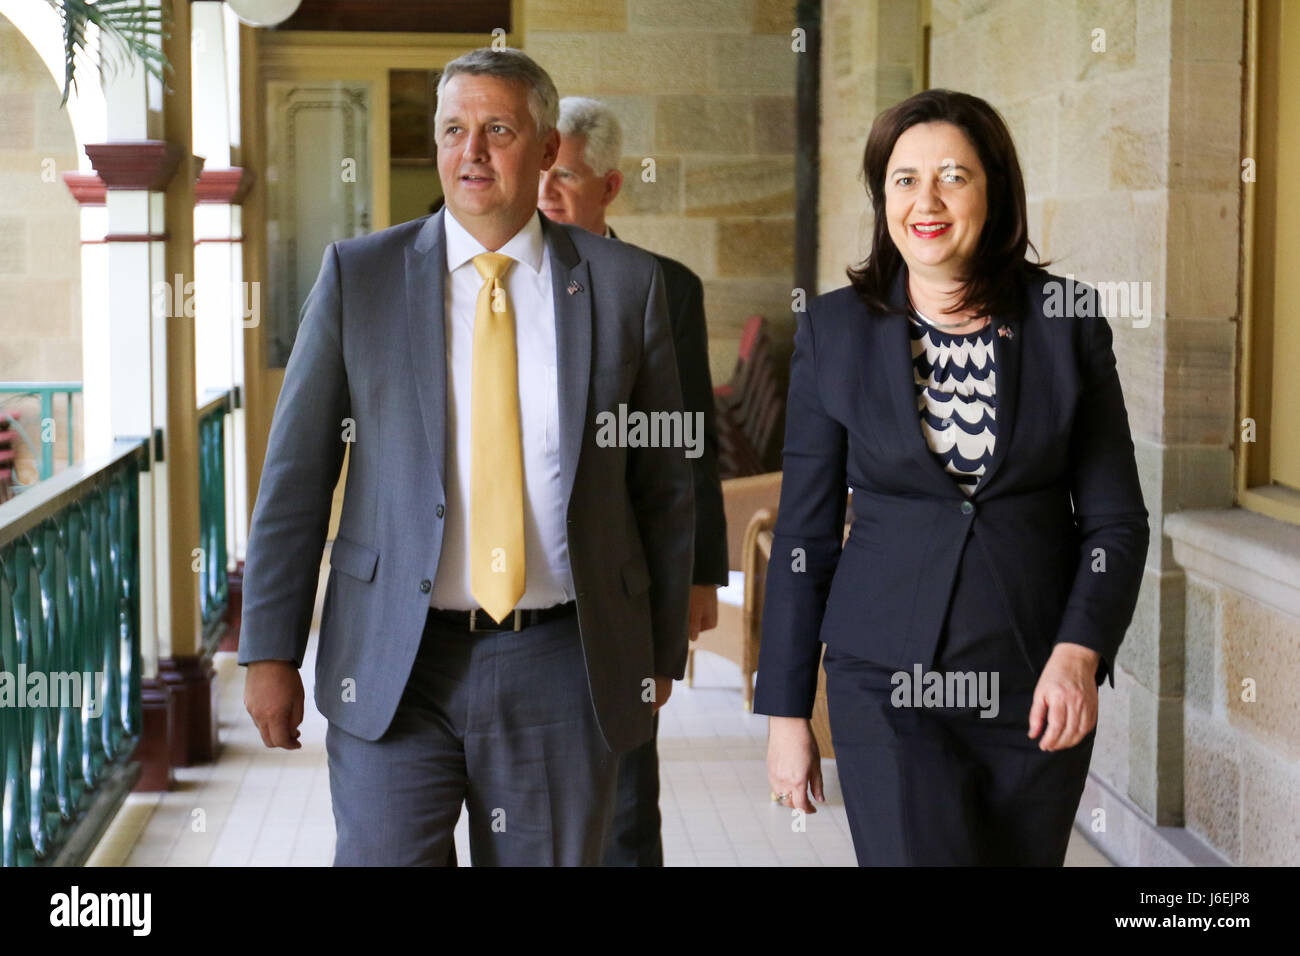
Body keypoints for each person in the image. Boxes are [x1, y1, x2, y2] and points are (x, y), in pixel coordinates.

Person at [238, 47, 694, 866]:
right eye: (453, 130)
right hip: (392, 660)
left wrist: (660, 649)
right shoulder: (360, 277)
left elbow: (662, 485)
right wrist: (270, 649)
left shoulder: (628, 287)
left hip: (562, 657)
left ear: (549, 149)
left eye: (498, 130)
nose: (471, 152)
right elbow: (296, 477)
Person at [755, 88, 1149, 866]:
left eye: (953, 177)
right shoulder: (834, 332)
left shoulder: (1065, 321)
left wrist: (1079, 652)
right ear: (883, 198)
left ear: (994, 191)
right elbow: (804, 533)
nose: (925, 201)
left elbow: (1115, 521)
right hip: (884, 681)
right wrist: (786, 714)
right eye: (904, 180)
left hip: (1036, 682)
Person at [538, 96, 729, 867]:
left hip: (622, 578)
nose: (546, 192)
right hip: (526, 579)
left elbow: (689, 447)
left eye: (565, 177)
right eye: (540, 171)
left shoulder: (666, 287)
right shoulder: (499, 280)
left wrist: (700, 575)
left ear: (610, 187)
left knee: (622, 799)